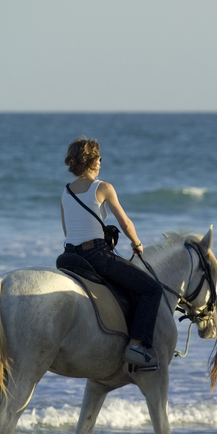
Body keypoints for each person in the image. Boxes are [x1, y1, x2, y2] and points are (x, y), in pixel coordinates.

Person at [60, 137, 163, 368]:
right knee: (151, 289)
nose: (100, 162)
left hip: (70, 257)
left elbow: (68, 230)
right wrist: (136, 242)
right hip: (96, 256)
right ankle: (137, 346)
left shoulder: (66, 192)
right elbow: (125, 223)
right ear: (93, 161)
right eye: (99, 158)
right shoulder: (103, 187)